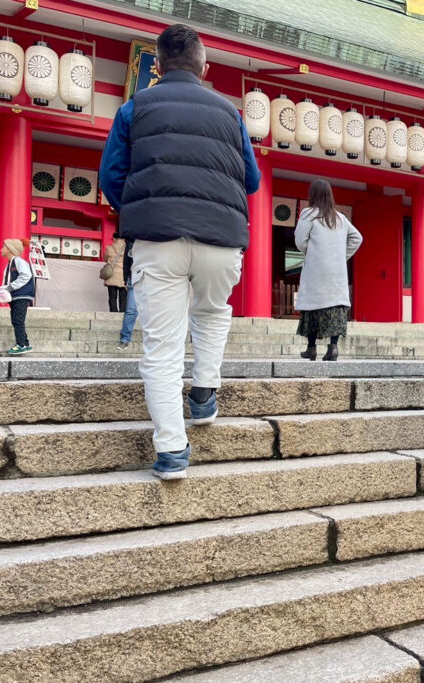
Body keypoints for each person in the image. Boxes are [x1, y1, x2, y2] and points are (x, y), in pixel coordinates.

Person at [99, 23, 261, 480]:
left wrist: (140, 206)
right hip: (221, 237)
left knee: (162, 346)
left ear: (158, 64)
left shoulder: (134, 107)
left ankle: (172, 451)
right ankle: (205, 393)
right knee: (211, 312)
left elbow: (111, 176)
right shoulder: (231, 115)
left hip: (158, 240)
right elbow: (250, 180)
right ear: (204, 66)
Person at [294, 180, 363, 361]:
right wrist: (341, 255)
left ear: (313, 195)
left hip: (316, 269)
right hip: (337, 271)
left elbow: (299, 240)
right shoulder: (340, 217)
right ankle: (333, 347)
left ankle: (311, 348)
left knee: (312, 306)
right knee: (335, 306)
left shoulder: (308, 214)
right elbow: (357, 238)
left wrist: (312, 252)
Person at [0, 238, 34, 355]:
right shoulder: (12, 263)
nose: (1, 249)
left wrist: (10, 287)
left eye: (4, 247)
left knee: (17, 320)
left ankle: (21, 345)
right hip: (17, 296)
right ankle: (26, 344)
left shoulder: (18, 262)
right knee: (17, 320)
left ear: (10, 249)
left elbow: (26, 275)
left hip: (22, 295)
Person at [116, 240, 137, 351]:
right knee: (131, 310)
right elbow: (126, 261)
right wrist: (126, 279)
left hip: (152, 280)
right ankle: (125, 339)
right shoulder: (131, 241)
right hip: (134, 278)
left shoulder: (153, 239)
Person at [103, 235, 128, 312]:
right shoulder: (127, 249)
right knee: (123, 297)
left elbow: (105, 258)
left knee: (112, 296)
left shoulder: (109, 248)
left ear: (114, 238)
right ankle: (122, 312)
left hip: (112, 274)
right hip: (123, 275)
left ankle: (113, 312)